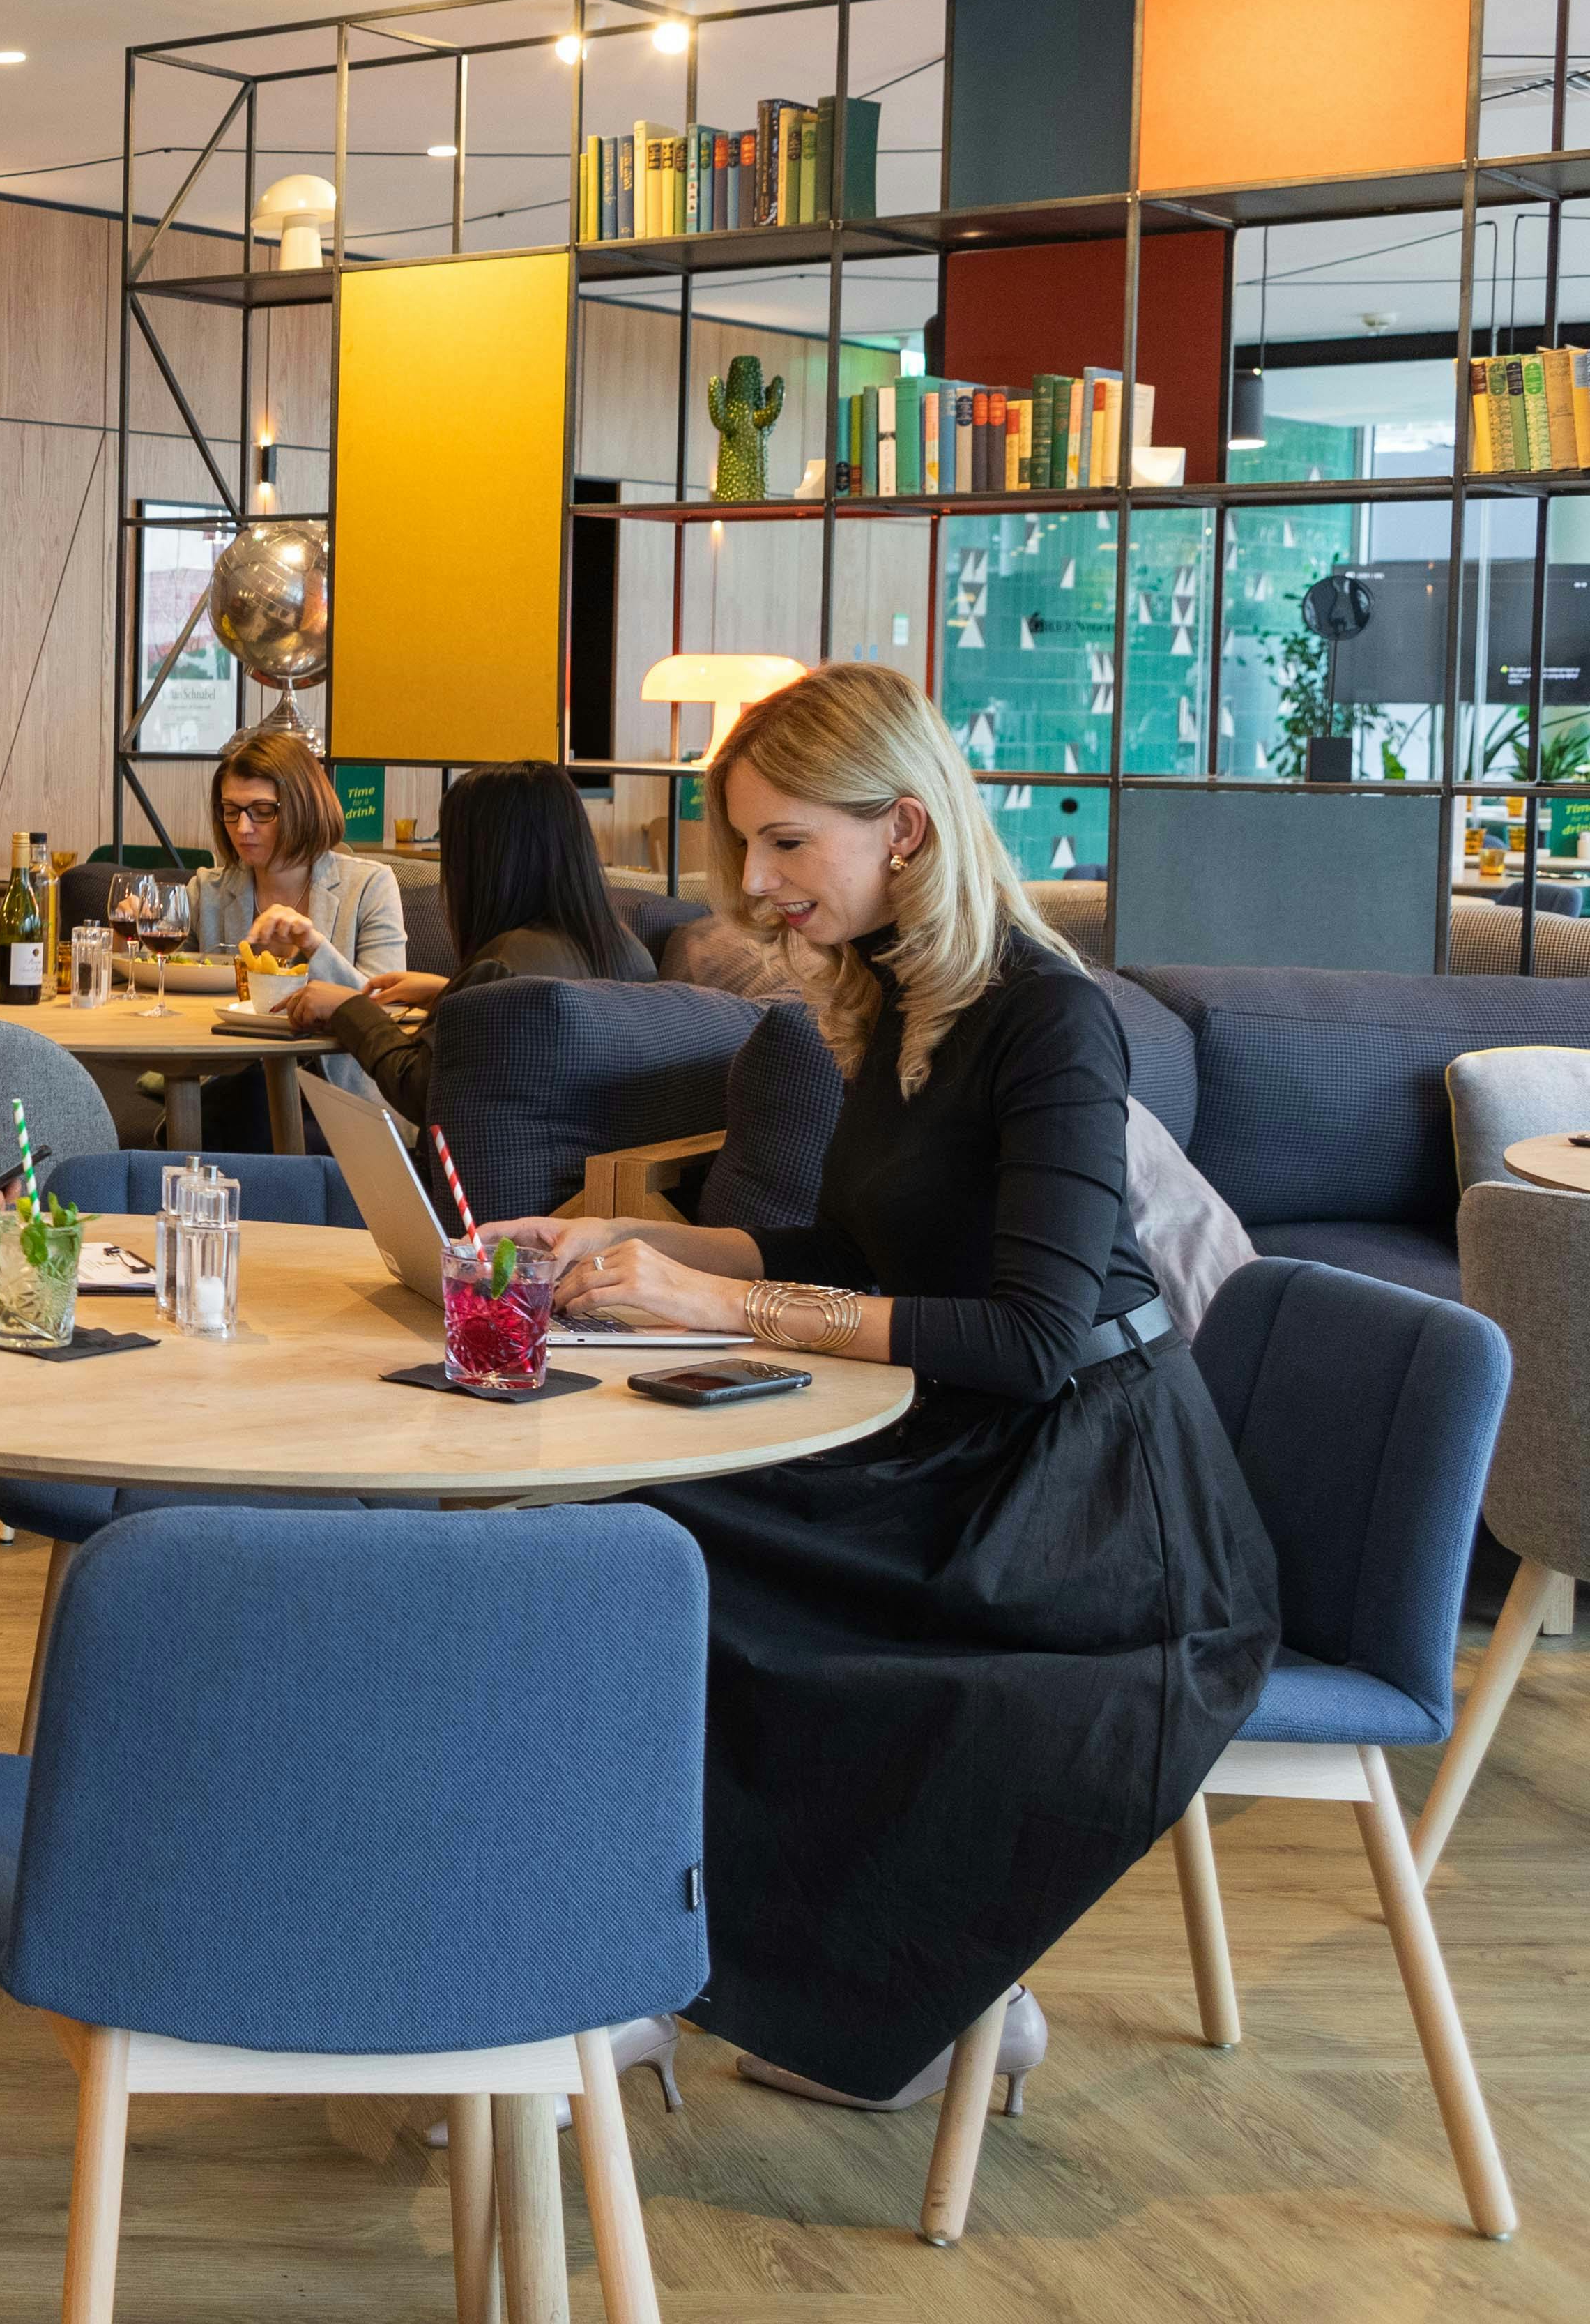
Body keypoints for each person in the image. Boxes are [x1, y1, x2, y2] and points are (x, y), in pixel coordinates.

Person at [481, 660, 1277, 2109]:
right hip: (963, 1453)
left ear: (901, 829)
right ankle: (727, 1971)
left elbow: (1032, 1335)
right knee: (617, 1516)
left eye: (787, 841)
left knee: (640, 1545)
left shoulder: (1045, 1017)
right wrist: (633, 1239)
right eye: (746, 845)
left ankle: (735, 1976)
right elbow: (847, 1250)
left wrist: (714, 1302)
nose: (758, 882)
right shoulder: (894, 995)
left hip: (1084, 1502)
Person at [274, 760, 650, 1124]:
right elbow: (546, 1026)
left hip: (455, 1185)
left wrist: (349, 1008)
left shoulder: (502, 966)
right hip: (577, 1177)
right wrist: (449, 993)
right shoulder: (629, 949)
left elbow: (421, 1090)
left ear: (483, 861)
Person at [185, 722, 406, 992]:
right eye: (231, 810)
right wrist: (129, 940)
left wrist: (313, 945)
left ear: (303, 807)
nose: (242, 828)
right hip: (222, 1034)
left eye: (263, 810)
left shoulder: (370, 886)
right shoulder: (206, 891)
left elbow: (389, 1000)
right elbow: (161, 982)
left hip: (330, 1036)